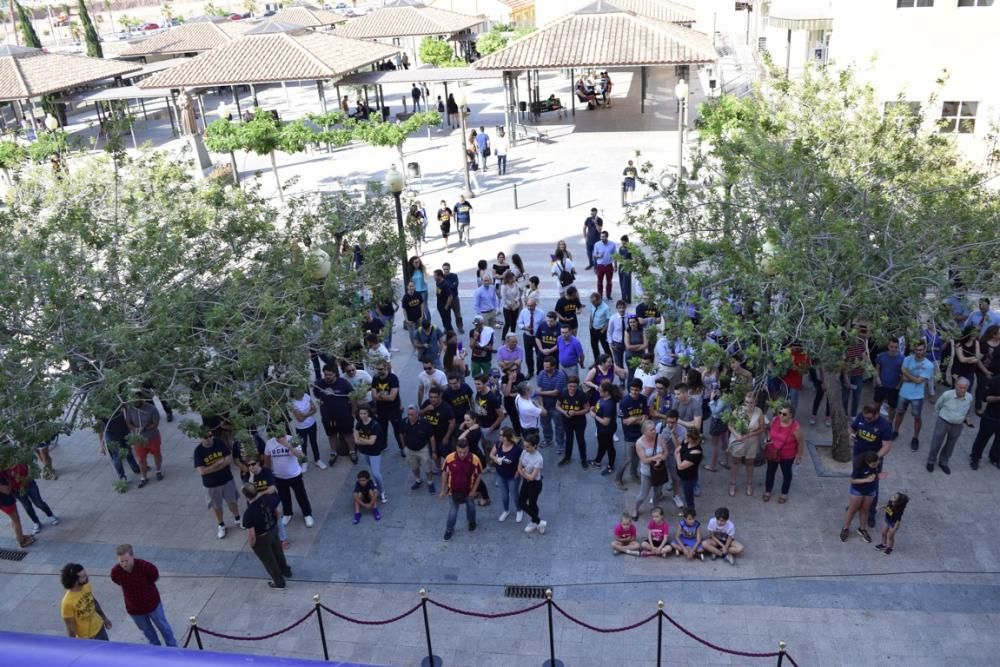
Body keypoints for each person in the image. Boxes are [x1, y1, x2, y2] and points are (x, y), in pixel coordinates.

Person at [110, 544, 177, 646]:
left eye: (126, 560)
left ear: (132, 557)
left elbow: (155, 576)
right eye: (121, 561)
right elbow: (116, 580)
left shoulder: (145, 567)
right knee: (148, 633)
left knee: (164, 628)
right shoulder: (116, 572)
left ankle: (173, 648)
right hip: (135, 610)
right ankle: (156, 650)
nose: (124, 564)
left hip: (152, 605)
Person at [241, 483, 292, 589]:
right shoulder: (268, 500)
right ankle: (286, 571)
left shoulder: (248, 514)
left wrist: (252, 545)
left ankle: (279, 582)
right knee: (279, 553)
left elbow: (251, 535)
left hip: (261, 538)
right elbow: (277, 513)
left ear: (246, 496)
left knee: (269, 561)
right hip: (273, 531)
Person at [193, 428, 241, 539]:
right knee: (216, 506)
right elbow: (202, 471)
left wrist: (212, 467)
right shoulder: (198, 451)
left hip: (227, 479)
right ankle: (221, 525)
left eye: (211, 435)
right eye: (206, 437)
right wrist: (217, 464)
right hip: (211, 484)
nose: (210, 438)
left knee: (232, 501)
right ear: (200, 438)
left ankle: (238, 518)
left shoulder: (219, 442)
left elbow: (228, 459)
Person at [264, 429, 315, 529]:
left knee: (301, 495)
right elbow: (267, 458)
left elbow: (300, 455)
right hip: (279, 476)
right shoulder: (270, 443)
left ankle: (307, 514)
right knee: (284, 496)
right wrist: (269, 474)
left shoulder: (292, 440)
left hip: (294, 475)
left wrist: (288, 445)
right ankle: (287, 513)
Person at [893, 341, 935, 451]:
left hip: (917, 396)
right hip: (904, 392)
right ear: (914, 349)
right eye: (917, 350)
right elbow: (911, 377)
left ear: (925, 349)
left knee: (917, 417)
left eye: (921, 350)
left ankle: (915, 438)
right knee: (899, 413)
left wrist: (907, 374)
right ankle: (895, 431)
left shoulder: (929, 365)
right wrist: (914, 378)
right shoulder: (907, 358)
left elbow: (918, 380)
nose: (919, 352)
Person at [926, 377, 973, 474]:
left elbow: (968, 409)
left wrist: (966, 418)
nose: (962, 390)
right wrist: (942, 417)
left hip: (958, 425)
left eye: (964, 388)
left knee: (951, 445)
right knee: (936, 442)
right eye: (960, 387)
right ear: (956, 386)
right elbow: (937, 406)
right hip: (943, 421)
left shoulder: (969, 397)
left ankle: (943, 462)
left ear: (967, 388)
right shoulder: (947, 395)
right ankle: (931, 461)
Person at [313, 364, 356, 466]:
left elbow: (353, 397)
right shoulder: (320, 383)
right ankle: (333, 452)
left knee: (348, 434)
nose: (327, 377)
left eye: (330, 375)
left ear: (335, 374)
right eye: (325, 374)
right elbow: (316, 394)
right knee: (331, 434)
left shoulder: (343, 383)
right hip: (327, 416)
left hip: (344, 415)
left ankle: (352, 451)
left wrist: (353, 412)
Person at [440, 439, 482, 540]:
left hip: (469, 491)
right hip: (452, 491)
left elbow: (479, 474)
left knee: (471, 507)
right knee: (453, 512)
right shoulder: (449, 458)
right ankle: (449, 529)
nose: (462, 454)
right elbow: (445, 474)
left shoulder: (475, 459)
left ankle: (472, 522)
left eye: (465, 452)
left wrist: (474, 490)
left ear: (468, 450)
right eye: (460, 452)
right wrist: (443, 490)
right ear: (456, 449)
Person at [2, 462, 58, 536]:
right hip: (17, 490)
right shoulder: (4, 469)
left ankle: (50, 515)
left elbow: (30, 471)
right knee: (27, 507)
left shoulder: (20, 461)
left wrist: (22, 478)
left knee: (39, 503)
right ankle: (36, 522)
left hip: (30, 485)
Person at [763, 405, 804, 503]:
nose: (781, 415)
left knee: (786, 473)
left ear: (791, 415)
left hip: (787, 455)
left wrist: (799, 456)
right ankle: (768, 491)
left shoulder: (795, 428)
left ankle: (784, 493)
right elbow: (768, 429)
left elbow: (801, 442)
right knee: (770, 472)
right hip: (773, 452)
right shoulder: (774, 420)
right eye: (780, 413)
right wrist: (768, 438)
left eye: (784, 414)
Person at [840, 450, 884, 543]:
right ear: (868, 463)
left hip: (870, 490)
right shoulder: (859, 465)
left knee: (865, 510)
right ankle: (845, 528)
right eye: (874, 464)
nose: (876, 465)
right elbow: (852, 480)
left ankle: (862, 529)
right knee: (852, 510)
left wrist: (878, 476)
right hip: (858, 490)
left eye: (877, 463)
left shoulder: (877, 462)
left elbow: (876, 474)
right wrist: (866, 480)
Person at [727, 393, 765, 498]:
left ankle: (749, 484)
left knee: (750, 462)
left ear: (755, 402)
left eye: (751, 402)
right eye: (746, 402)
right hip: (738, 440)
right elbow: (730, 424)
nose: (748, 405)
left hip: (752, 441)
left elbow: (762, 429)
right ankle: (733, 484)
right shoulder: (738, 410)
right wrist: (736, 434)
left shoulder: (759, 412)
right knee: (735, 462)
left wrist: (749, 434)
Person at [60, 564, 112, 639]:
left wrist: (104, 618)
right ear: (75, 582)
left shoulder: (86, 586)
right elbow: (71, 629)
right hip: (87, 639)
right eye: (83, 576)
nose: (87, 576)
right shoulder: (67, 603)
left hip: (100, 629)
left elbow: (93, 602)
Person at [632, 420, 667, 519]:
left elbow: (665, 452)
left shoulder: (660, 437)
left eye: (654, 429)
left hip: (658, 470)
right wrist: (657, 457)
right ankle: (635, 508)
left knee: (657, 493)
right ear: (645, 432)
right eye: (651, 430)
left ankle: (655, 510)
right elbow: (644, 460)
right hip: (646, 472)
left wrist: (661, 458)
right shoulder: (639, 443)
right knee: (643, 495)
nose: (654, 431)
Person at [125, 395, 163, 488]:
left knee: (157, 454)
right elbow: (128, 422)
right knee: (141, 459)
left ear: (142, 399)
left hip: (152, 437)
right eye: (133, 401)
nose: (135, 403)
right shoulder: (130, 409)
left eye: (137, 401)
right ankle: (144, 477)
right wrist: (134, 429)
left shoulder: (152, 409)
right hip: (138, 439)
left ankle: (158, 471)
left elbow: (156, 423)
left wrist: (145, 428)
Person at [96, 408, 141, 485]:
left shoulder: (116, 402)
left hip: (124, 431)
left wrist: (132, 429)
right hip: (112, 435)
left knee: (128, 451)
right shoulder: (98, 409)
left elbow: (126, 412)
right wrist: (101, 444)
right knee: (117, 457)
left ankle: (135, 468)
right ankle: (122, 477)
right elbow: (99, 427)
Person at [354, 406, 387, 503]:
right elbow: (356, 440)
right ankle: (376, 485)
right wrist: (364, 441)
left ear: (369, 413)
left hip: (374, 452)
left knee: (376, 473)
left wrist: (361, 440)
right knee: (372, 469)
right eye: (361, 414)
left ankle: (382, 492)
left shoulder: (374, 425)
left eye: (365, 413)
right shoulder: (358, 423)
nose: (363, 416)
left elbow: (371, 442)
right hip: (364, 451)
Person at [401, 404, 437, 493]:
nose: (410, 416)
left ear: (417, 414)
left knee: (427, 468)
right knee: (414, 467)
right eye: (408, 414)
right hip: (409, 450)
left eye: (412, 414)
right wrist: (403, 446)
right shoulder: (404, 422)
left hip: (423, 450)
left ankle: (430, 482)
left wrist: (433, 451)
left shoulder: (425, 423)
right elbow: (401, 433)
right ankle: (418, 480)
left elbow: (432, 437)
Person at [421, 385, 456, 472]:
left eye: (435, 397)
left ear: (440, 396)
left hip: (442, 437)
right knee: (434, 454)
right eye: (431, 397)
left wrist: (447, 437)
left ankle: (449, 470)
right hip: (430, 437)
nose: (432, 399)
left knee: (446, 455)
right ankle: (439, 468)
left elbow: (452, 422)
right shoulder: (427, 403)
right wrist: (425, 409)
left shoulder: (446, 408)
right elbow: (418, 415)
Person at [557, 375, 590, 468]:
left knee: (580, 440)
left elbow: (587, 409)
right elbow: (557, 406)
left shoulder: (582, 395)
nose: (572, 388)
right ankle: (567, 458)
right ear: (567, 385)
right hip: (567, 421)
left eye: (574, 386)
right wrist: (565, 412)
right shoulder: (563, 393)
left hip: (579, 422)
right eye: (570, 386)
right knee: (568, 440)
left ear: (577, 386)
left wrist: (576, 413)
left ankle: (583, 460)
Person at [491, 428, 523, 522]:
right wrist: (496, 459)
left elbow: (522, 461)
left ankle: (519, 510)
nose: (499, 437)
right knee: (504, 495)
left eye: (502, 435)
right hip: (500, 474)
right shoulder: (498, 444)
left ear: (508, 437)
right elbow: (491, 455)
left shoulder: (517, 449)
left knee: (514, 494)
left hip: (513, 476)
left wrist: (518, 471)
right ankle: (506, 510)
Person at [518, 432, 547, 534]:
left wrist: (523, 472)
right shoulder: (524, 452)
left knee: (532, 503)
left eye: (528, 447)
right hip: (526, 482)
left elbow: (531, 477)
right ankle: (539, 522)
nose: (526, 449)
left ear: (535, 446)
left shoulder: (539, 459)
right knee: (521, 502)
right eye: (525, 446)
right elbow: (519, 466)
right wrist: (524, 472)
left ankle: (534, 522)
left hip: (535, 484)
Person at [970, 373, 1000, 470]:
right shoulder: (996, 380)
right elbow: (985, 398)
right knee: (982, 438)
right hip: (991, 416)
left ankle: (994, 457)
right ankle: (975, 457)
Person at [372, 363, 403, 455]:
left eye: (381, 369)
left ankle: (402, 447)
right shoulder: (375, 378)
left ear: (386, 368)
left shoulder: (393, 378)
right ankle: (383, 446)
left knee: (398, 430)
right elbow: (373, 396)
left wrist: (380, 395)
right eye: (377, 369)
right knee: (382, 429)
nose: (379, 371)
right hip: (381, 409)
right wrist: (385, 395)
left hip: (394, 409)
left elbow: (392, 397)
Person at [591, 380, 621, 474]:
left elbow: (605, 422)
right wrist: (594, 409)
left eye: (600, 391)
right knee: (602, 445)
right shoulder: (603, 398)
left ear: (606, 392)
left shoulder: (609, 404)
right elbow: (599, 407)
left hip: (606, 430)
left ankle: (610, 466)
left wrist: (594, 415)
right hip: (601, 429)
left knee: (609, 447)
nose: (599, 391)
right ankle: (597, 461)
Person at [291, 386, 324, 470]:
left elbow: (315, 409)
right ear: (293, 392)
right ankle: (304, 462)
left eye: (302, 390)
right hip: (301, 428)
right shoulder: (292, 403)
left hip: (312, 424)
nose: (302, 392)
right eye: (298, 391)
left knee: (314, 443)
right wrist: (309, 412)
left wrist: (304, 414)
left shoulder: (306, 396)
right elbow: (300, 419)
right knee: (303, 445)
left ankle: (317, 460)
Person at [874, 340, 904, 423]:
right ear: (888, 346)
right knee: (877, 405)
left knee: (892, 407)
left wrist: (899, 385)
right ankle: (875, 421)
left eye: (895, 347)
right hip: (881, 385)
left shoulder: (902, 358)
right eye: (891, 347)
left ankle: (889, 423)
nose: (893, 349)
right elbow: (877, 369)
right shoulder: (882, 356)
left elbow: (903, 374)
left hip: (894, 387)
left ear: (898, 347)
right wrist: (878, 380)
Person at [0, 470, 32, 547]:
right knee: (16, 520)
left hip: (5, 501)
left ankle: (20, 536)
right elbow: (6, 491)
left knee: (15, 519)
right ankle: (22, 542)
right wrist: (10, 481)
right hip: (5, 502)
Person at [675, 428, 704, 512]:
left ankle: (690, 511)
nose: (685, 436)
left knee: (688, 495)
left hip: (688, 478)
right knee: (685, 492)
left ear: (691, 438)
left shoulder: (696, 453)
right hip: (683, 475)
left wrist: (677, 456)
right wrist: (678, 456)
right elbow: (677, 450)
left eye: (687, 435)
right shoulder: (686, 442)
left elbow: (680, 466)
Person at [517, 298, 541, 378]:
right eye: (528, 306)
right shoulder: (523, 312)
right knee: (528, 355)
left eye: (531, 306)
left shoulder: (541, 313)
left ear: (535, 305)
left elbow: (543, 325)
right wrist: (524, 327)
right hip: (527, 336)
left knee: (539, 355)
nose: (529, 307)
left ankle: (539, 372)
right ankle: (530, 372)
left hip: (537, 337)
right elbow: (519, 323)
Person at [592, 231, 617, 299]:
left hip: (609, 265)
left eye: (603, 237)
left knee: (609, 282)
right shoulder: (597, 244)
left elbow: (615, 256)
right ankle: (600, 295)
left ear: (607, 237)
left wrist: (615, 266)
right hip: (600, 265)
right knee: (599, 282)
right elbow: (594, 255)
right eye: (601, 236)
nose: (601, 238)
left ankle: (608, 295)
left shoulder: (612, 244)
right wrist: (598, 255)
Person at [441, 263, 464, 332]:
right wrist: (449, 285)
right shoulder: (441, 277)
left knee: (458, 314)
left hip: (454, 298)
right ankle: (446, 328)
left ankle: (460, 327)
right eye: (444, 269)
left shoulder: (454, 275)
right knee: (446, 315)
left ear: (449, 269)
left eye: (447, 269)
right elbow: (440, 288)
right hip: (445, 299)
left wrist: (445, 286)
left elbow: (455, 286)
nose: (446, 271)